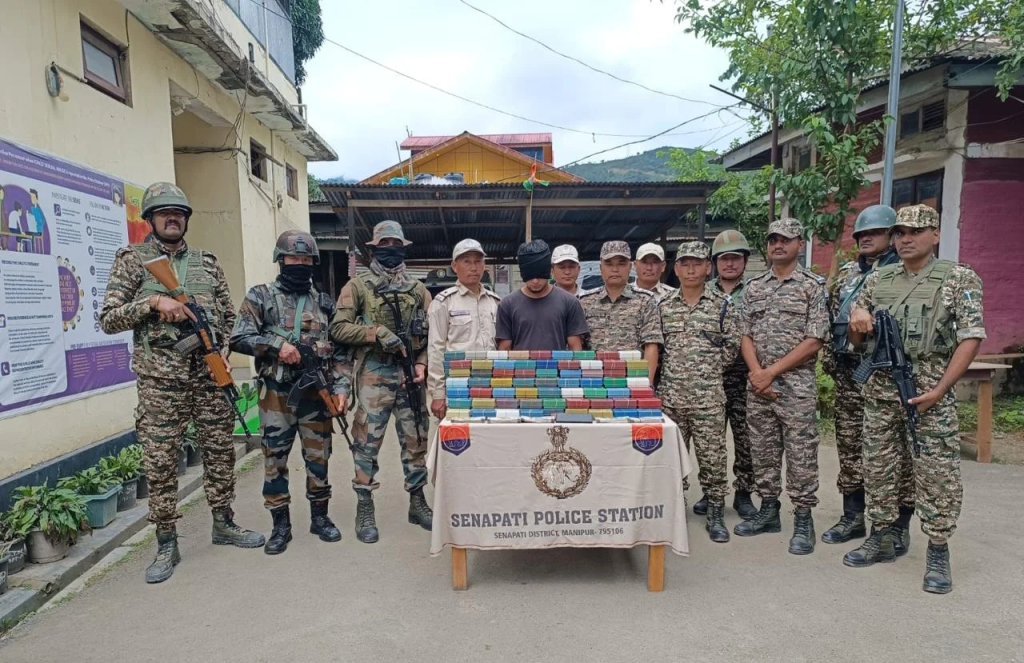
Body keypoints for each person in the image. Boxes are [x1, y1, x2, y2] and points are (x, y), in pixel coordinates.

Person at [99, 182, 264, 584]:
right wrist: (154, 303)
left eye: (179, 213)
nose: (172, 219)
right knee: (159, 461)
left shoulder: (207, 262)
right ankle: (167, 540)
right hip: (160, 381)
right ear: (151, 220)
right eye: (164, 213)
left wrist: (224, 349)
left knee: (221, 451)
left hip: (208, 377)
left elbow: (227, 316)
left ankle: (223, 522)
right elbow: (108, 318)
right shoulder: (133, 260)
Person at [845, 204, 984, 595]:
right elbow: (856, 339)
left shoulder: (959, 278)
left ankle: (938, 549)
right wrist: (857, 314)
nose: (906, 239)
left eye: (916, 232)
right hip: (880, 389)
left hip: (928, 388)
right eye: (901, 232)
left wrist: (939, 390)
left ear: (935, 236)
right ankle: (882, 534)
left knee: (937, 472)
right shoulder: (878, 278)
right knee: (879, 466)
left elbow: (970, 337)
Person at [230, 231, 346, 555]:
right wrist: (275, 345)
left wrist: (340, 389)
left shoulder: (324, 303)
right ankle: (280, 526)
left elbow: (341, 354)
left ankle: (320, 518)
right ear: (281, 261)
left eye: (306, 260)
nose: (299, 264)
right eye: (293, 259)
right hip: (276, 396)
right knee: (274, 460)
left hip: (316, 397)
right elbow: (238, 337)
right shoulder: (261, 297)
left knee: (319, 459)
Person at [329, 220, 432, 544]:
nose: (391, 252)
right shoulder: (357, 286)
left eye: (396, 246)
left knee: (416, 437)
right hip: (375, 371)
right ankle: (364, 506)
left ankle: (417, 502)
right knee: (366, 442)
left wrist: (422, 362)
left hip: (410, 375)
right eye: (384, 246)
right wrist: (375, 333)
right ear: (373, 249)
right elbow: (338, 328)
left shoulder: (418, 290)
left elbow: (433, 334)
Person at [734, 218, 829, 556]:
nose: (778, 245)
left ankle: (803, 518)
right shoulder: (755, 286)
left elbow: (815, 339)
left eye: (786, 240)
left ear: (799, 244)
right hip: (759, 385)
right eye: (773, 239)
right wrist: (758, 373)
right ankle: (768, 510)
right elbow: (744, 333)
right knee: (762, 449)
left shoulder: (812, 286)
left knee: (802, 454)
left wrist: (770, 372)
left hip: (796, 387)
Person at [821, 205, 905, 547]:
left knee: (893, 452)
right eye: (862, 234)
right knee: (850, 446)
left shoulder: (902, 273)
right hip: (848, 374)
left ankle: (897, 526)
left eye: (875, 232)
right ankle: (853, 516)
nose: (867, 238)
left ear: (891, 236)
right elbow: (830, 317)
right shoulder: (845, 275)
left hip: (885, 374)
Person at [658, 241, 739, 542]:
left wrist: (708, 370)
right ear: (676, 269)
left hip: (708, 399)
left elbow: (732, 347)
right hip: (671, 398)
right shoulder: (663, 307)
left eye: (698, 263)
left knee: (713, 457)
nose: (691, 269)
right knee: (673, 459)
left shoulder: (722, 305)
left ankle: (716, 511)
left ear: (708, 267)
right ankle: (675, 508)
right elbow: (658, 349)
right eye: (685, 263)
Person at [705, 229, 757, 520]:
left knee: (744, 437)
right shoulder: (705, 292)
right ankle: (710, 492)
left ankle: (743, 493)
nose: (729, 264)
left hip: (744, 374)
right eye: (724, 259)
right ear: (715, 263)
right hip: (710, 376)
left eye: (735, 258)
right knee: (709, 440)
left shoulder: (755, 291)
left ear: (745, 261)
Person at [427, 238, 501, 421]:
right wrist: (438, 394)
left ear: (484, 265)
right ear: (454, 266)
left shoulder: (496, 302)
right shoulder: (444, 303)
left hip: (491, 384)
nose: (473, 267)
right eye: (466, 261)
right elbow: (436, 349)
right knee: (457, 441)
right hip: (457, 386)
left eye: (478, 261)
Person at [579, 241, 662, 382]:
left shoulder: (645, 301)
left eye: (621, 264)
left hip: (633, 381)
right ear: (601, 268)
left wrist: (647, 384)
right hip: (595, 382)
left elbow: (651, 345)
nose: (615, 269)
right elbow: (578, 346)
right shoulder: (585, 302)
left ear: (630, 267)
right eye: (609, 264)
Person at [496, 239, 589, 351]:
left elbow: (575, 348)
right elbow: (504, 350)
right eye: (530, 275)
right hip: (522, 368)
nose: (535, 281)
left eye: (540, 275)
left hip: (557, 368)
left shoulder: (570, 303)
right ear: (522, 273)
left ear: (549, 271)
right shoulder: (507, 305)